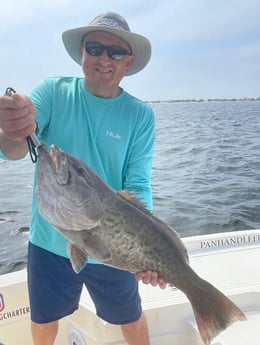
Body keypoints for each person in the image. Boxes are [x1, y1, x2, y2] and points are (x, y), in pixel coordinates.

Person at [0, 12, 166, 345]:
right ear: (82, 53)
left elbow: (138, 185)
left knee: (130, 317)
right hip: (50, 241)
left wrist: (145, 248)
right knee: (43, 319)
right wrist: (13, 127)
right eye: (95, 47)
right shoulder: (53, 91)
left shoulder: (140, 115)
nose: (105, 58)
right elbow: (16, 148)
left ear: (128, 61)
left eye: (116, 52)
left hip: (112, 247)